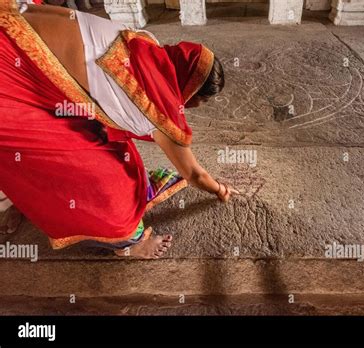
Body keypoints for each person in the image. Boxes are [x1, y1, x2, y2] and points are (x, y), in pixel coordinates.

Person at [0, 0, 239, 258]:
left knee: (110, 148)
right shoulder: (158, 105)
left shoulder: (144, 42)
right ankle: (128, 244)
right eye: (199, 101)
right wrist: (219, 189)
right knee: (103, 185)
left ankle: (20, 200)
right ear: (190, 91)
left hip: (13, 24)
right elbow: (194, 174)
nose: (194, 107)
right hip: (11, 79)